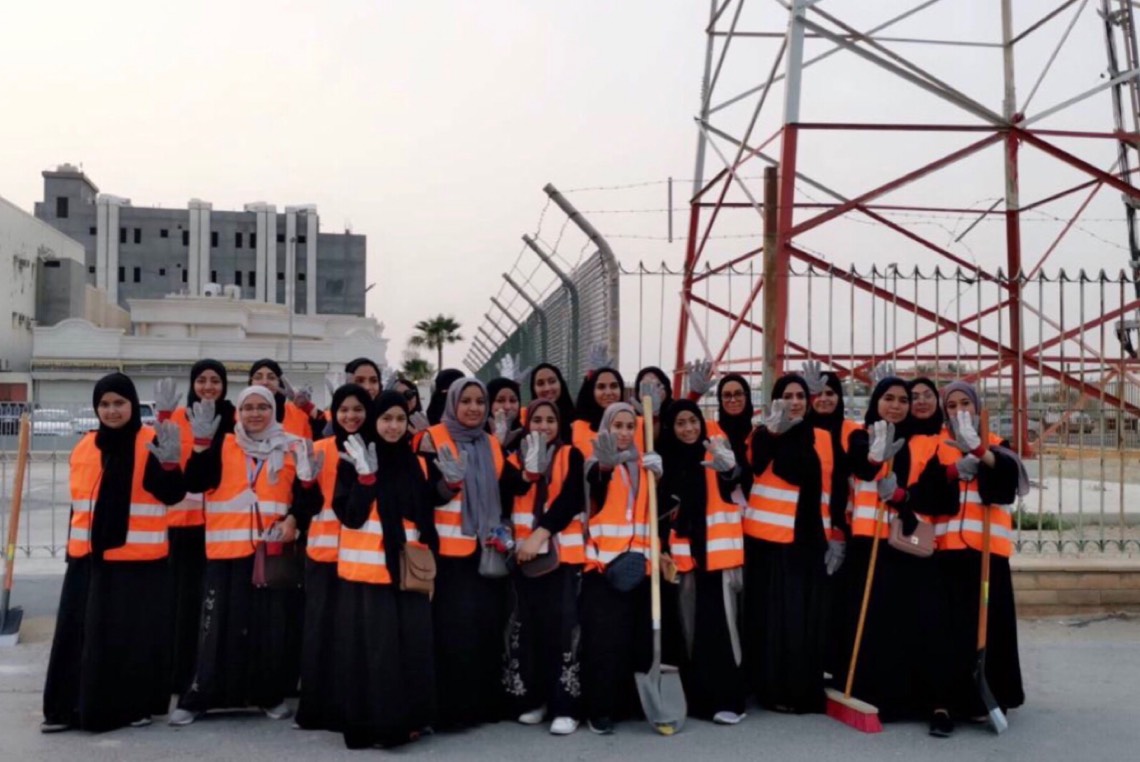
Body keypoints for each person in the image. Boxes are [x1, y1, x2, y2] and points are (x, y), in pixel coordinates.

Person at [42, 373, 186, 733]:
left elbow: (171, 494)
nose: (112, 410)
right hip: (87, 559)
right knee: (77, 637)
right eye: (104, 404)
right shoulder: (85, 445)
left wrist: (171, 465)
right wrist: (72, 550)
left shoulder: (151, 440)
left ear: (133, 405)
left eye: (119, 403)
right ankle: (67, 707)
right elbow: (79, 504)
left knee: (129, 641)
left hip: (136, 562)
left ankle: (134, 707)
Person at [170, 386, 322, 726]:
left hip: (269, 554)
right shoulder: (223, 444)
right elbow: (196, 481)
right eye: (248, 407)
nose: (255, 414)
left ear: (273, 411)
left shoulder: (292, 447)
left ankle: (268, 694)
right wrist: (200, 445)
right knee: (216, 629)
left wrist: (295, 519)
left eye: (262, 407)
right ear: (238, 412)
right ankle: (200, 696)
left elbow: (307, 498)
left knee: (268, 628)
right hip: (226, 552)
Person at [843, 376, 959, 736]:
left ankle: (935, 701)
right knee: (876, 624)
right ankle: (883, 697)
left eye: (903, 400)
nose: (896, 405)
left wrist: (901, 498)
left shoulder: (918, 444)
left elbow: (940, 496)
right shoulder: (860, 436)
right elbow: (862, 468)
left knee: (919, 622)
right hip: (868, 543)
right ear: (876, 401)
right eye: (889, 398)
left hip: (905, 543)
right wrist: (877, 454)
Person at [334, 390, 442, 748]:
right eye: (386, 419)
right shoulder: (352, 459)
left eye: (400, 419)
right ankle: (379, 726)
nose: (393, 426)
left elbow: (428, 506)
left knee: (411, 648)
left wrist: (450, 484)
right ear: (374, 421)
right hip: (370, 576)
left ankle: (411, 720)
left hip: (409, 572)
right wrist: (366, 481)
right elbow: (349, 516)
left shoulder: (416, 463)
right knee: (377, 654)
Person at [417, 378, 512, 728]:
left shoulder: (491, 442)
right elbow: (424, 496)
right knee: (451, 634)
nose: (473, 408)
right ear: (452, 403)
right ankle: (451, 711)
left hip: (486, 552)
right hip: (447, 556)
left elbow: (506, 492)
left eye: (480, 402)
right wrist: (448, 486)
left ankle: (483, 706)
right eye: (466, 401)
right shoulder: (431, 438)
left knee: (485, 630)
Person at [744, 374, 840, 714]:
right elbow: (755, 466)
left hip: (810, 540)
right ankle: (774, 690)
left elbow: (833, 488)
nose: (795, 402)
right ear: (776, 399)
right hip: (771, 541)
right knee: (776, 621)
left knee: (806, 621)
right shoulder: (762, 434)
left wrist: (836, 535)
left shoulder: (823, 437)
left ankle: (803, 689)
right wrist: (774, 434)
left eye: (800, 395)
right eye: (788, 396)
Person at [936, 381, 1027, 721]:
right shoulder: (939, 444)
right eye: (952, 405)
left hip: (988, 552)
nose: (959, 411)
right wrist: (952, 470)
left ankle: (995, 694)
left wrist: (979, 451)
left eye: (965, 403)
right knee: (952, 630)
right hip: (948, 550)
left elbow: (1005, 486)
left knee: (992, 627)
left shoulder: (997, 444)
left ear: (977, 407)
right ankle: (952, 700)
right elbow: (929, 488)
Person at [657, 399, 747, 724]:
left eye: (693, 421)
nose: (688, 429)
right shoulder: (665, 461)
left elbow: (737, 483)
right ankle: (696, 699)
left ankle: (728, 700)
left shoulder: (716, 453)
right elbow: (659, 513)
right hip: (683, 560)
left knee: (722, 630)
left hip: (717, 557)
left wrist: (730, 470)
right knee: (689, 630)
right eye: (680, 423)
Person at [501, 399, 587, 736]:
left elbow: (571, 499)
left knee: (563, 631)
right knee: (528, 631)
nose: (544, 426)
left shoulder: (570, 454)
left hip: (561, 557)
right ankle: (535, 700)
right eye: (537, 419)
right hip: (525, 559)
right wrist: (528, 473)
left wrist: (541, 532)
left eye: (551, 420)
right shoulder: (514, 458)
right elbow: (507, 492)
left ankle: (566, 706)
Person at [295, 384, 376, 731]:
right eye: (344, 409)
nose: (351, 416)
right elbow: (304, 508)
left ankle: (352, 707)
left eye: (358, 409)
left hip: (364, 559)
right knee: (321, 633)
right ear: (334, 412)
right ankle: (317, 708)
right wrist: (306, 484)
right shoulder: (318, 449)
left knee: (355, 636)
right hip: (324, 555)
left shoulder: (375, 449)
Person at [153, 359, 236, 694]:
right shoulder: (176, 418)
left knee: (217, 606)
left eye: (216, 380)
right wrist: (161, 420)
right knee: (183, 605)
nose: (208, 387)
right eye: (202, 380)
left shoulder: (234, 419)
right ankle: (180, 675)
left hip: (223, 527)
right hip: (183, 527)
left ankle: (216, 674)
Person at [579, 402, 661, 735]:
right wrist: (605, 467)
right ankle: (599, 709)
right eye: (618, 426)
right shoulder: (596, 463)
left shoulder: (644, 465)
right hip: (603, 566)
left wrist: (659, 476)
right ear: (606, 428)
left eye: (630, 426)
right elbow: (596, 485)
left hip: (638, 566)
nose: (624, 432)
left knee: (632, 640)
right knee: (603, 643)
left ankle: (626, 705)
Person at [249, 358, 322, 439]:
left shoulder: (298, 414)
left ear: (280, 382)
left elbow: (326, 434)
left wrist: (307, 407)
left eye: (271, 377)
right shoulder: (240, 416)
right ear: (251, 382)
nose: (265, 382)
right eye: (258, 377)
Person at [572, 367, 626, 458]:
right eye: (601, 387)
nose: (608, 392)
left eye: (614, 386)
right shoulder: (578, 427)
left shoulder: (635, 422)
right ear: (592, 391)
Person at [707, 373, 755, 471]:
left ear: (747, 396)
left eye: (738, 394)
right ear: (720, 399)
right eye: (727, 395)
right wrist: (694, 394)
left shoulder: (758, 435)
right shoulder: (708, 429)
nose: (733, 400)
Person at [529, 363, 577, 441]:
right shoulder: (526, 422)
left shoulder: (577, 421)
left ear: (561, 384)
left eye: (552, 381)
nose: (547, 388)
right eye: (540, 383)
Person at [487, 376, 524, 454]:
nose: (507, 407)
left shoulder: (527, 437)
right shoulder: (477, 438)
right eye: (500, 401)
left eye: (513, 400)